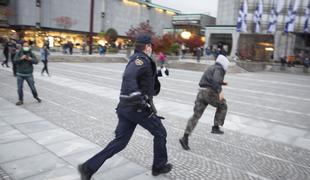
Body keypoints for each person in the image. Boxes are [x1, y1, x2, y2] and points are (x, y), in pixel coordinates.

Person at [78, 34, 172, 180]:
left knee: (120, 142)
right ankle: (158, 166)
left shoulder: (139, 59)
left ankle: (88, 167)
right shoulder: (141, 60)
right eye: (151, 46)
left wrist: (159, 74)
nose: (152, 48)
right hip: (137, 108)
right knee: (160, 133)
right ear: (147, 46)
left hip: (126, 108)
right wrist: (137, 98)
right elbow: (129, 76)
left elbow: (142, 76)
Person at [179, 55, 229, 150]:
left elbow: (210, 79)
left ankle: (185, 138)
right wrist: (220, 90)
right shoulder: (220, 69)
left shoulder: (211, 67)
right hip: (209, 93)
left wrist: (222, 83)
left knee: (195, 116)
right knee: (223, 105)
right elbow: (215, 80)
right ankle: (215, 127)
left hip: (201, 92)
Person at [14, 41, 41, 105]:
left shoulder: (31, 53)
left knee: (32, 87)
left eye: (27, 46)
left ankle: (36, 96)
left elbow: (36, 61)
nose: (25, 47)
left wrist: (30, 59)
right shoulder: (19, 53)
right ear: (22, 46)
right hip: (20, 74)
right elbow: (15, 61)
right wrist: (21, 58)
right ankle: (20, 100)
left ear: (28, 47)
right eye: (24, 46)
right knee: (19, 88)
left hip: (29, 74)